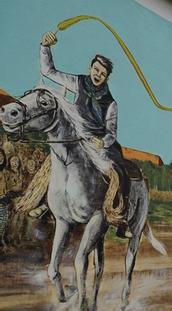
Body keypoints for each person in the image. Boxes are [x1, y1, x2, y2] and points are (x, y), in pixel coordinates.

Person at [39, 31, 132, 238]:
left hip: (98, 144)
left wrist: (102, 142)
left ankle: (119, 219)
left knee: (120, 173)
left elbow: (112, 133)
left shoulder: (111, 103)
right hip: (75, 136)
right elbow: (48, 71)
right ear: (90, 68)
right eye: (95, 69)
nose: (97, 74)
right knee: (54, 160)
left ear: (107, 77)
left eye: (102, 73)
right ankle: (43, 203)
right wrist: (45, 47)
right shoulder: (77, 82)